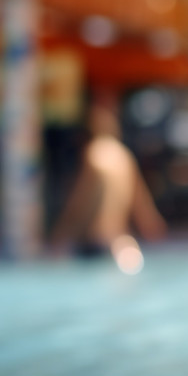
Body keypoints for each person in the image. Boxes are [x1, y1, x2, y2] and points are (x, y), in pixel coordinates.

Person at [51, 97, 166, 258]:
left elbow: (80, 202)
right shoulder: (124, 156)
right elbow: (141, 203)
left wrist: (62, 233)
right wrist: (151, 226)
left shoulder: (94, 154)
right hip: (120, 243)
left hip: (95, 243)